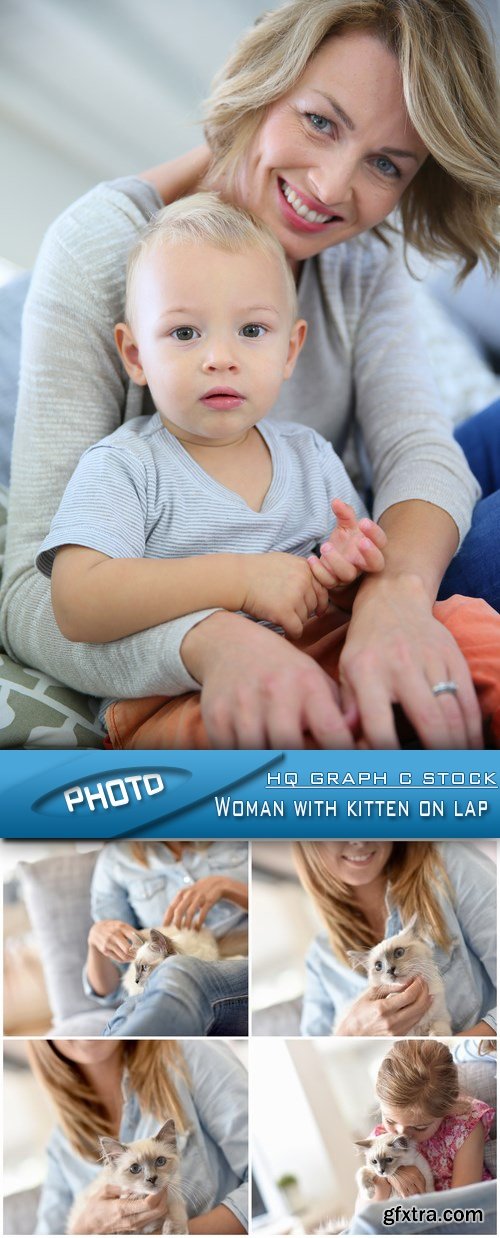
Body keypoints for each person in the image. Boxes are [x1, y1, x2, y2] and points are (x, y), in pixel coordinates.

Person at [2, 0, 499, 749]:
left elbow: (418, 451)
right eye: (321, 121)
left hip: (352, 570)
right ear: (266, 80)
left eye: (386, 164)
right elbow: (39, 594)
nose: (332, 188)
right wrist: (210, 639)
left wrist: (394, 597)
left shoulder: (360, 258)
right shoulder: (104, 252)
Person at [35, 195, 500, 748]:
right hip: (184, 693)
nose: (221, 357)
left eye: (252, 331)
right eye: (185, 333)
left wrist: (348, 569)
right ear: (135, 356)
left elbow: (342, 596)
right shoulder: (124, 466)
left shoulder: (311, 455)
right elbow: (77, 601)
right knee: (255, 734)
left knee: (468, 626)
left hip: (328, 653)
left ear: (289, 350)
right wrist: (244, 580)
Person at [28, 1038, 248, 1235]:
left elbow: (261, 1175)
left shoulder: (190, 1052)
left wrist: (184, 1231)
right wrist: (85, 1228)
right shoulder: (61, 1141)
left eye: (160, 1162)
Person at [293, 841, 497, 1036]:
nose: (359, 839)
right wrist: (351, 1031)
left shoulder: (448, 865)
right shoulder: (319, 959)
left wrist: (450, 1050)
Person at [84, 840, 248, 1036]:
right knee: (131, 1008)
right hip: (166, 984)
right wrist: (96, 941)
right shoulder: (116, 858)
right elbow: (109, 990)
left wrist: (229, 887)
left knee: (175, 969)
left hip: (239, 966)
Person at [360, 1039, 495, 1203]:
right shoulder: (381, 1139)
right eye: (390, 1120)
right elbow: (367, 1209)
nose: (401, 1133)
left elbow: (461, 1204)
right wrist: (392, 1175)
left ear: (448, 1108)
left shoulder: (465, 1127)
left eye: (420, 1127)